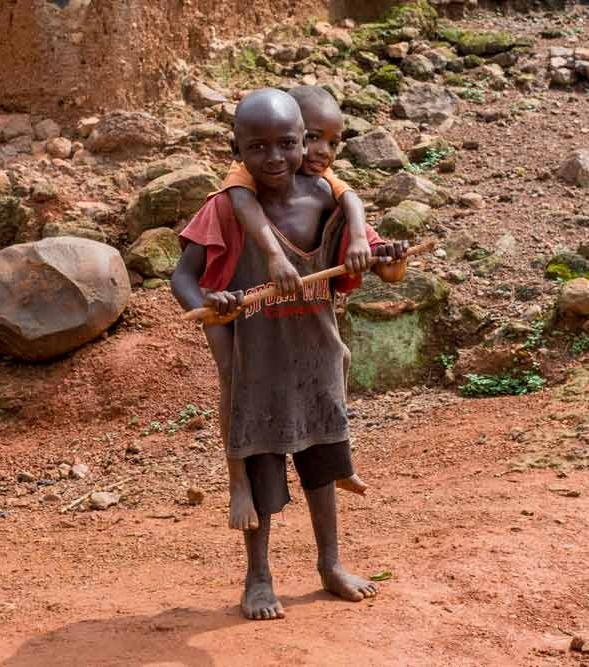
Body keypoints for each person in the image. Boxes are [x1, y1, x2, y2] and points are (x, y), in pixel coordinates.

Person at [170, 88, 407, 621]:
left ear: (304, 142)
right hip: (258, 362)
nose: (274, 158)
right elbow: (182, 278)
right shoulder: (224, 208)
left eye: (286, 144)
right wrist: (211, 307)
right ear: (236, 148)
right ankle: (258, 577)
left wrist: (390, 258)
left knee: (322, 467)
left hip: (316, 356)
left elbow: (376, 268)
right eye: (258, 148)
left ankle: (330, 564)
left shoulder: (325, 199)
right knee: (261, 471)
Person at [222, 84, 391, 497]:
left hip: (301, 315)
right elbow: (241, 203)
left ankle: (340, 459)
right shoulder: (247, 175)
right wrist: (275, 257)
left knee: (336, 360)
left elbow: (350, 197)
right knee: (235, 380)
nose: (322, 152)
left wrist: (362, 243)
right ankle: (238, 483)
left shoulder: (316, 186)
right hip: (243, 313)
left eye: (333, 142)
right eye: (313, 138)